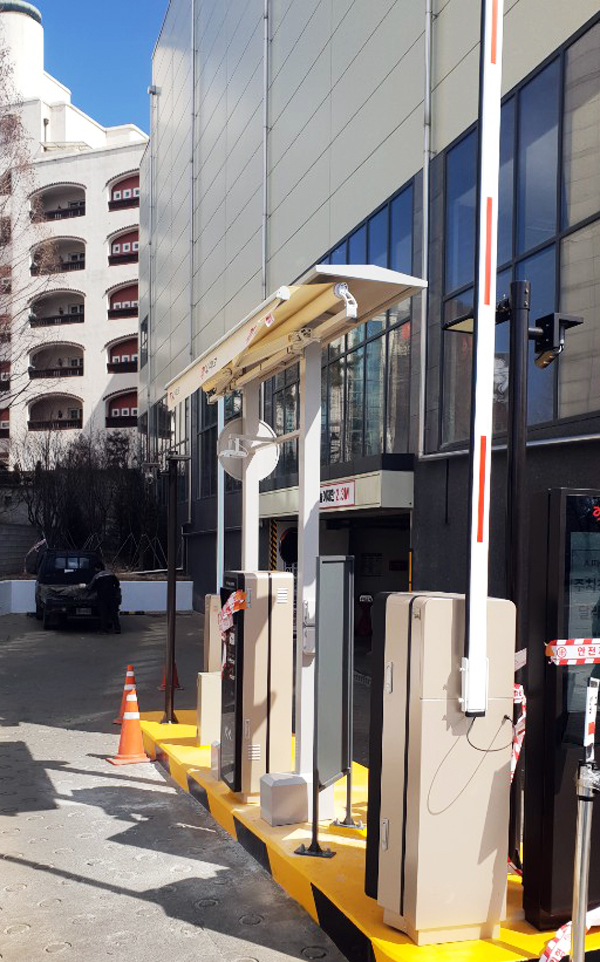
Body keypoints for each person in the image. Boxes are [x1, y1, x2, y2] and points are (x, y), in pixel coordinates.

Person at [91, 564, 121, 634]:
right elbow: (117, 584)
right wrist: (114, 590)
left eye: (95, 568)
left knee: (103, 613)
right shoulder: (111, 574)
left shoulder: (97, 576)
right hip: (111, 596)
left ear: (98, 568)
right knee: (113, 613)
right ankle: (117, 629)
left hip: (102, 597)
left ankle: (104, 630)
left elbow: (91, 587)